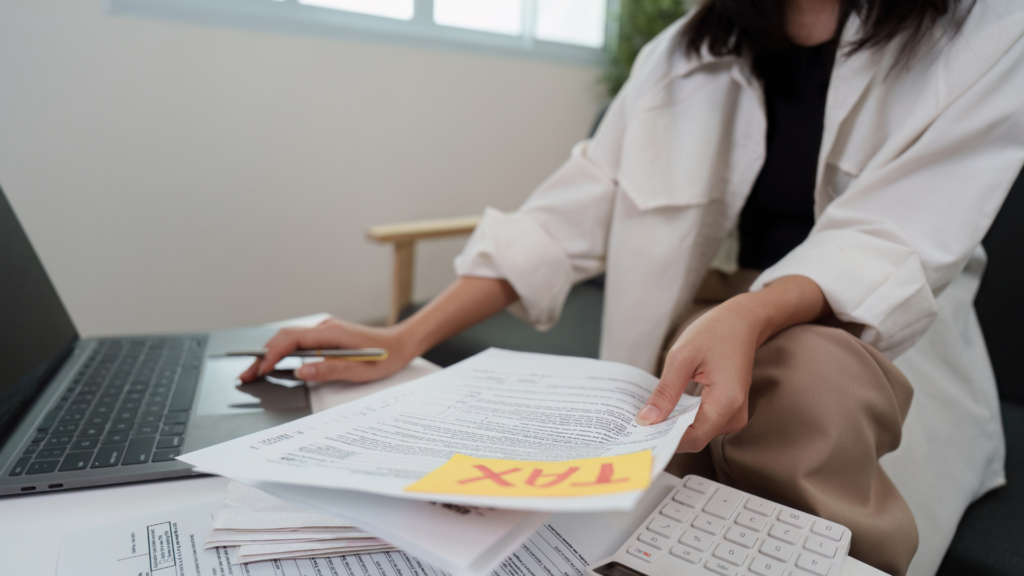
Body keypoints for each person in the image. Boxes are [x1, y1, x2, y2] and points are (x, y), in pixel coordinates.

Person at [242, 1, 1024, 574]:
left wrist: (752, 314)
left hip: (872, 345)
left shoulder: (986, 27)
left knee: (807, 378)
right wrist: (406, 335)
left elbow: (897, 236)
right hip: (712, 321)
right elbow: (568, 213)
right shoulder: (685, 49)